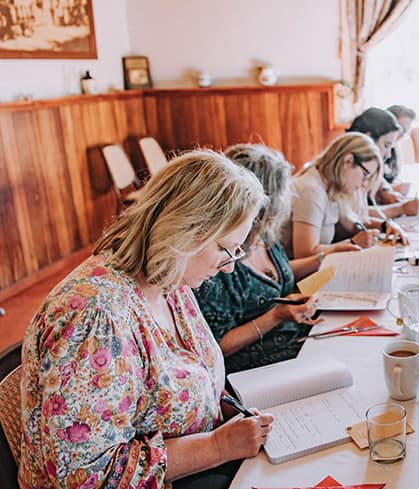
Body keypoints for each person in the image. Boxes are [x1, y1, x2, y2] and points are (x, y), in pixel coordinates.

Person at [19, 150, 274, 489]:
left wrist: (224, 409)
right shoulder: (94, 318)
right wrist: (217, 446)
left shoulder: (170, 278)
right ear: (186, 232)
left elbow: (185, 374)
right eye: (225, 250)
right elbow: (84, 475)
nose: (229, 266)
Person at [195, 144, 340, 373]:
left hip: (300, 340)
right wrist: (276, 316)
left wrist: (323, 258)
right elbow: (217, 346)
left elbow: (276, 274)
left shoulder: (264, 235)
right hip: (259, 367)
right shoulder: (217, 259)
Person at [284, 132, 404, 259]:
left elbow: (351, 221)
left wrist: (384, 225)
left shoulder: (330, 185)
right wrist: (352, 243)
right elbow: (304, 254)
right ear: (348, 161)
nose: (364, 184)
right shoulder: (312, 191)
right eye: (365, 175)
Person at [347, 107, 419, 218]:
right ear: (368, 138)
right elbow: (353, 214)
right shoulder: (349, 163)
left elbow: (377, 177)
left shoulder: (364, 159)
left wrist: (384, 190)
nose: (388, 155)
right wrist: (401, 209)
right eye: (386, 145)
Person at [386, 104, 417, 177]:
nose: (402, 134)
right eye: (401, 128)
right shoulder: (379, 148)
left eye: (406, 130)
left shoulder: (395, 146)